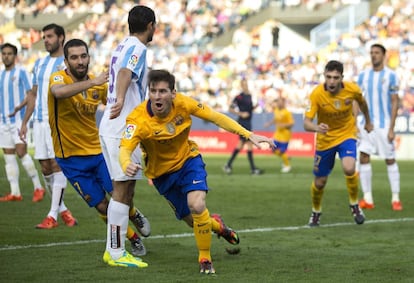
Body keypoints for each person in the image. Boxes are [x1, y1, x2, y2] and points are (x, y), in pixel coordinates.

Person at [119, 69, 275, 274]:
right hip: (161, 176)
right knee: (193, 221)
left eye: (163, 91)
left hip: (188, 162)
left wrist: (248, 134)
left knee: (197, 204)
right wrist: (125, 163)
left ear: (173, 93)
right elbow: (125, 148)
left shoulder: (184, 103)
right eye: (153, 91)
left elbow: (216, 117)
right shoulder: (137, 119)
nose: (157, 96)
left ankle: (205, 258)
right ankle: (219, 227)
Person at [47, 38, 148, 260]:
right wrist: (93, 83)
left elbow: (114, 98)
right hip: (70, 159)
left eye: (84, 56)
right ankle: (132, 238)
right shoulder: (59, 78)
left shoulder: (98, 84)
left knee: (120, 194)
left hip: (97, 153)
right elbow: (59, 93)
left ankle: (133, 213)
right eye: (74, 57)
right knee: (102, 205)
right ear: (66, 61)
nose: (80, 61)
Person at [99, 5, 153, 268]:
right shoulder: (139, 49)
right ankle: (116, 252)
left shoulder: (122, 45)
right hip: (122, 128)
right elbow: (124, 73)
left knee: (126, 189)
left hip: (114, 127)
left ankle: (114, 248)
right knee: (122, 190)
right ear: (151, 25)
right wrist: (121, 99)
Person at [19, 23, 77, 229]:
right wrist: (25, 122)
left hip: (59, 123)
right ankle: (63, 210)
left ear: (61, 38)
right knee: (45, 168)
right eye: (44, 37)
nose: (46, 40)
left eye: (50, 36)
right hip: (40, 122)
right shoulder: (40, 63)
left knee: (57, 165)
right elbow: (33, 95)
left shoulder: (68, 63)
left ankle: (52, 215)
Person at [304, 60, 373, 227]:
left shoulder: (352, 90)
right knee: (320, 182)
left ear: (342, 77)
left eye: (336, 77)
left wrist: (368, 121)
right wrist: (316, 127)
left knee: (349, 168)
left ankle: (354, 205)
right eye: (329, 77)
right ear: (324, 76)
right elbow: (306, 123)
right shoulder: (316, 94)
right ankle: (316, 211)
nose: (332, 81)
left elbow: (363, 104)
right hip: (325, 139)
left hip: (346, 134)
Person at [357, 43, 402, 211]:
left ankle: (395, 198)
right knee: (363, 157)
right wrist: (354, 122)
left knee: (390, 159)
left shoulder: (391, 76)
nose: (373, 55)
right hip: (366, 125)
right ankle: (367, 198)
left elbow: (394, 101)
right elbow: (357, 100)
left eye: (377, 53)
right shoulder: (363, 76)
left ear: (384, 55)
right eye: (371, 53)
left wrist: (392, 128)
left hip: (384, 126)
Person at [0, 43, 45, 202]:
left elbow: (31, 95)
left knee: (21, 152)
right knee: (8, 156)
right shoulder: (0, 75)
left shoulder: (21, 73)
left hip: (18, 120)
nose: (6, 56)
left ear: (15, 56)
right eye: (4, 53)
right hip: (3, 121)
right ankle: (15, 192)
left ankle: (38, 187)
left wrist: (21, 111)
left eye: (9, 53)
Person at [223, 78, 263, 175]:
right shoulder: (239, 97)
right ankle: (252, 169)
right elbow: (230, 109)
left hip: (248, 122)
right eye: (244, 84)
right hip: (243, 122)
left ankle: (229, 165)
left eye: (246, 84)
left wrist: (255, 107)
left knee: (244, 144)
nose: (245, 86)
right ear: (241, 85)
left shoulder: (249, 96)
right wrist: (240, 114)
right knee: (245, 144)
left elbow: (249, 110)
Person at [264, 96, 294, 173]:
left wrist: (283, 125)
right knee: (273, 149)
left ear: (283, 103)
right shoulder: (276, 110)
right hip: (277, 134)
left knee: (281, 152)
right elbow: (275, 119)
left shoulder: (287, 112)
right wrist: (269, 123)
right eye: (278, 102)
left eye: (280, 102)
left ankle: (287, 166)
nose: (279, 103)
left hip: (285, 135)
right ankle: (286, 158)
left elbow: (291, 123)